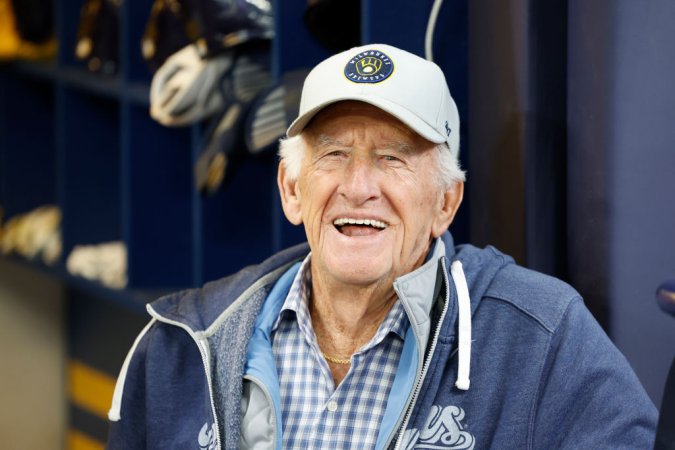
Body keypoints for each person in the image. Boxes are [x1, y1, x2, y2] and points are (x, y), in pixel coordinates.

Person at [106, 44, 657, 449]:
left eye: (394, 157)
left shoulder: (542, 337)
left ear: (446, 202)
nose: (359, 186)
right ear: (292, 190)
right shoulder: (180, 345)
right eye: (334, 154)